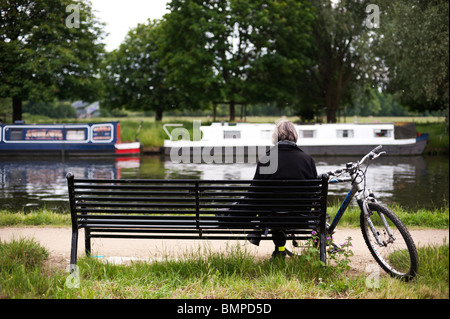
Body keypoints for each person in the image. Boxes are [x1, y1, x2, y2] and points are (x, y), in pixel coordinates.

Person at [251, 119, 318, 259]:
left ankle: (279, 249)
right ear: (294, 136)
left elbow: (254, 192)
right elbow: (315, 192)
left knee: (273, 207)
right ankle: (281, 249)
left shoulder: (266, 159)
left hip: (271, 216)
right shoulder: (307, 160)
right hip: (300, 217)